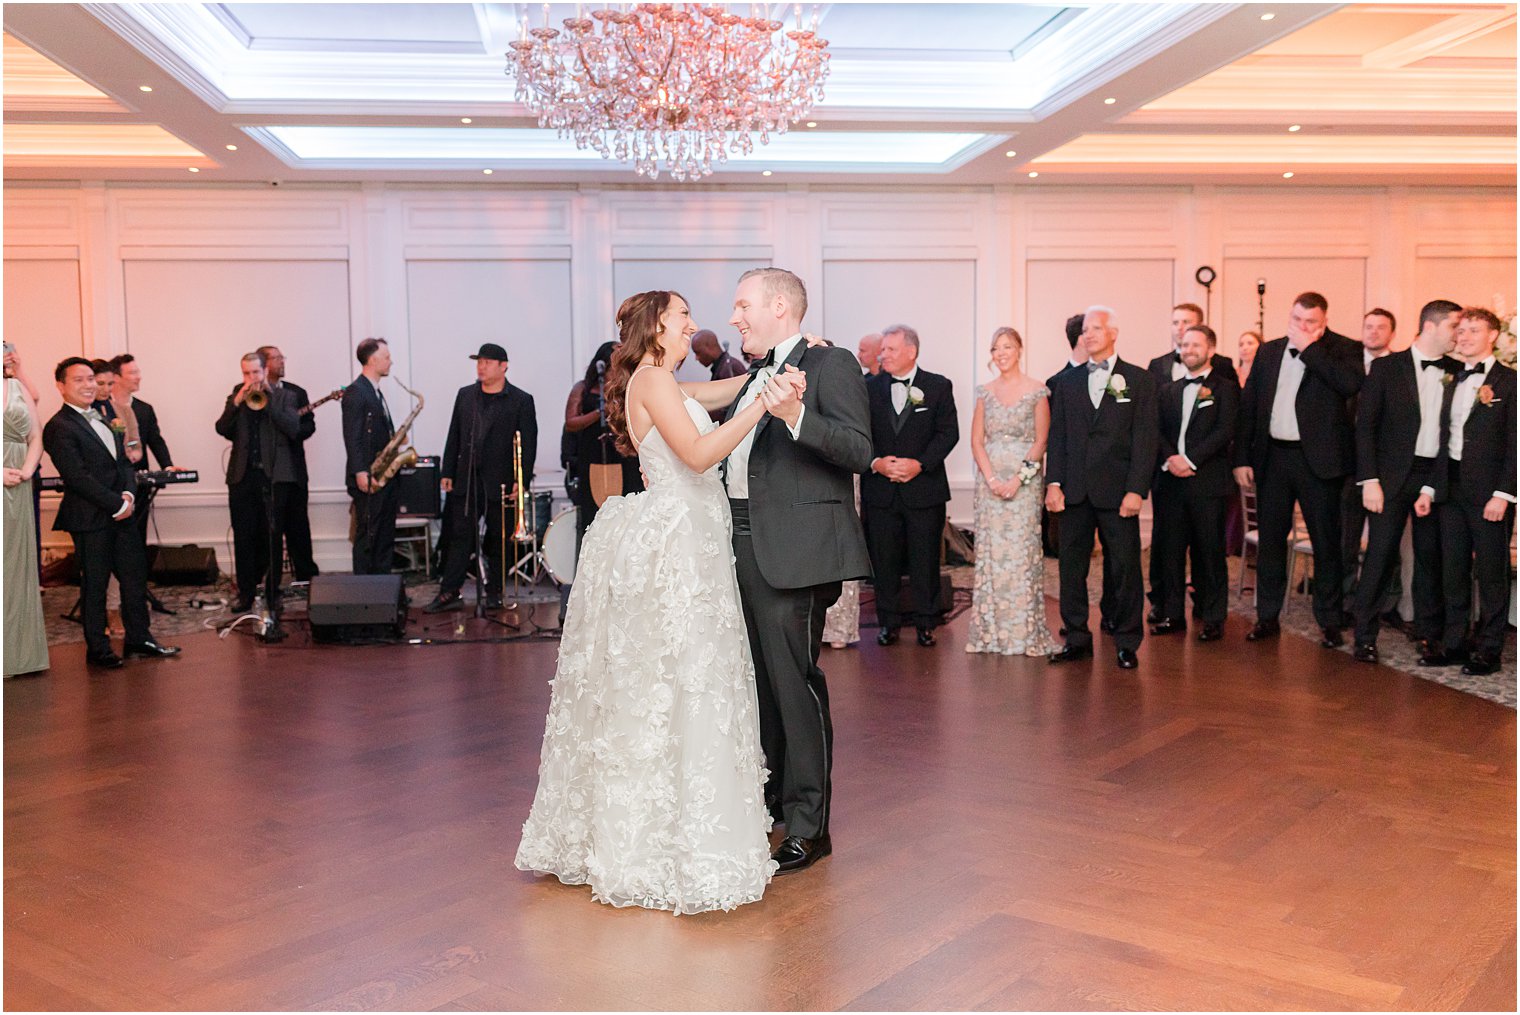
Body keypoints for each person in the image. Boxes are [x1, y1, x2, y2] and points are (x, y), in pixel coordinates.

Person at [515, 288, 807, 913]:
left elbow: (719, 394)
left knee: (693, 684)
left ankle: (685, 826)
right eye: (683, 318)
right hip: (679, 545)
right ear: (657, 329)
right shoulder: (649, 379)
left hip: (697, 542)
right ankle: (657, 842)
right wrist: (768, 409)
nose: (694, 326)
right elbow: (699, 456)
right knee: (677, 684)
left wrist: (775, 372)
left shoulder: (664, 381)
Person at [720, 267, 872, 875]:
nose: (734, 317)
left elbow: (859, 449)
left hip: (794, 548)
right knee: (759, 684)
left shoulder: (830, 365)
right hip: (738, 542)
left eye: (742, 305)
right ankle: (776, 799)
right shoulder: (750, 375)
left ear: (779, 306)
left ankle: (810, 825)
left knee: (793, 683)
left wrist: (796, 417)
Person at [1234, 292, 1363, 647]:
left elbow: (1350, 385)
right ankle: (1267, 617)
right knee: (1271, 541)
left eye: (1309, 323)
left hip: (1318, 462)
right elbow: (1250, 407)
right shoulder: (1270, 350)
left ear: (1323, 322)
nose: (1300, 328)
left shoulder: (1344, 349)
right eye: (1296, 321)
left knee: (1326, 544)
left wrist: (1310, 349)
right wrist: (1242, 457)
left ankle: (1329, 620)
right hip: (1273, 458)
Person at [41, 357, 179, 668]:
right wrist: (117, 504)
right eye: (79, 380)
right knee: (96, 584)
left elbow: (124, 464)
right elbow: (77, 478)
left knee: (134, 578)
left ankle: (139, 639)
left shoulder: (105, 418)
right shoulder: (58, 427)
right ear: (61, 386)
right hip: (91, 518)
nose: (89, 385)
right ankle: (99, 650)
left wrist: (129, 494)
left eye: (91, 378)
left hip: (122, 513)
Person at [1045, 306, 1158, 670]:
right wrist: (1054, 483)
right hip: (1074, 491)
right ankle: (1076, 637)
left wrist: (1137, 489)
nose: (1088, 334)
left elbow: (1145, 440)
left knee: (1125, 568)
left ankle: (1127, 641)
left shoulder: (1139, 381)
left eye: (1096, 328)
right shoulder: (1067, 383)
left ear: (1114, 333)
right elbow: (1058, 438)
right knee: (1071, 569)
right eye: (1085, 330)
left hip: (1118, 492)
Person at [1350, 300, 1461, 664]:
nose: (1458, 335)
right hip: (1390, 476)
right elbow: (1364, 428)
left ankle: (1429, 634)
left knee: (1430, 559)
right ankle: (1364, 636)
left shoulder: (1457, 371)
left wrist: (1435, 483)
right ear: (1431, 326)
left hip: (1436, 476)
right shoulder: (1386, 368)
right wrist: (1369, 480)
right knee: (1380, 556)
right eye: (1453, 327)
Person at [862, 325, 960, 647]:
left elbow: (948, 434)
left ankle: (926, 622)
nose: (882, 355)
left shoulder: (938, 386)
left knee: (926, 560)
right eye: (883, 350)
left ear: (911, 352)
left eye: (890, 349)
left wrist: (919, 464)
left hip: (924, 490)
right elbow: (857, 434)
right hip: (881, 490)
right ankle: (888, 622)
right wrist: (876, 462)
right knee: (884, 562)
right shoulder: (868, 388)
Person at [1430, 308, 1515, 677]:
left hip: (1490, 492)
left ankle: (1489, 649)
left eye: (1473, 330)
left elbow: (1517, 444)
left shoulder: (1510, 382)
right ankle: (1454, 643)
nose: (1463, 337)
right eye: (1460, 331)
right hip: (1451, 487)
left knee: (1492, 572)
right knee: (1453, 568)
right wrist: (1431, 486)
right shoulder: (1451, 377)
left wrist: (1504, 494)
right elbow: (1442, 437)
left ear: (1493, 335)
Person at [425, 343, 538, 613]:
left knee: (499, 540)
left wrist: (520, 482)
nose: (481, 366)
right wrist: (447, 471)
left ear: (503, 366)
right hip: (467, 480)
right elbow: (455, 435)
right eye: (479, 361)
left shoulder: (521, 400)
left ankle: (494, 593)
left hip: (500, 483)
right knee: (459, 537)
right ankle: (449, 591)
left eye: (488, 362)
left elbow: (529, 444)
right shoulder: (466, 396)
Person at [965, 326, 1056, 656]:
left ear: (1019, 349)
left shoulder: (1037, 391)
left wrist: (1018, 479)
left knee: (1019, 556)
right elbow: (976, 440)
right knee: (991, 556)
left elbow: (1041, 440)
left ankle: (1022, 633)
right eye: (995, 348)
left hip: (1025, 483)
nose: (1000, 353)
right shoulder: (984, 392)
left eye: (1006, 347)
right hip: (989, 485)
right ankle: (991, 634)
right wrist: (991, 478)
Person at [1149, 324, 1239, 642]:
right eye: (1184, 345)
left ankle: (1213, 616)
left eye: (1195, 345)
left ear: (1210, 350)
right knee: (1170, 552)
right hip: (1170, 483)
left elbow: (1226, 430)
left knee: (1209, 552)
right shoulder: (1168, 391)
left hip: (1207, 483)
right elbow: (1156, 430)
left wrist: (1190, 460)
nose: (1188, 350)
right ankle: (1173, 614)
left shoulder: (1225, 388)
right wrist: (1171, 458)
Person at [215, 351, 304, 613]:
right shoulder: (237, 395)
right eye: (246, 373)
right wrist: (237, 402)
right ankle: (245, 592)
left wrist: (270, 399)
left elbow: (293, 428)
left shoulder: (286, 396)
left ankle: (273, 592)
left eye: (255, 372)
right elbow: (222, 428)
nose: (251, 378)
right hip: (242, 476)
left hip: (272, 477)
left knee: (272, 536)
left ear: (265, 371)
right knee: (243, 537)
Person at [1342, 309, 1402, 622]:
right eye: (1368, 326)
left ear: (1392, 333)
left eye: (1381, 327)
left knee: (1386, 541)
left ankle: (1386, 604)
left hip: (1391, 468)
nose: (1374, 332)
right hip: (1349, 467)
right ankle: (1348, 600)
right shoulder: (1347, 367)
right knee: (1347, 539)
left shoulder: (1401, 369)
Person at [564, 342, 644, 555]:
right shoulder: (583, 388)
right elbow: (571, 422)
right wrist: (600, 412)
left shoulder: (629, 385)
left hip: (624, 456)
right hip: (593, 457)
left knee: (628, 513)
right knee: (594, 517)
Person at [256, 346, 320, 581]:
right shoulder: (253, 392)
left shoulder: (296, 392)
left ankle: (306, 577)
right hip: (267, 473)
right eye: (277, 358)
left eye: (283, 357)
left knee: (299, 526)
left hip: (294, 470)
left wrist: (292, 431)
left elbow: (309, 425)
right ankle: (269, 580)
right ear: (264, 364)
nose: (283, 361)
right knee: (269, 529)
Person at [4, 344, 48, 676]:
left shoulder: (16, 387)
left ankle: (20, 654)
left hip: (19, 482)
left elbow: (36, 435)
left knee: (18, 567)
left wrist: (29, 470)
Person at [342, 338, 399, 575]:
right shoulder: (357, 392)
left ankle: (382, 589)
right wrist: (361, 471)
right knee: (367, 537)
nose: (390, 361)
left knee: (383, 535)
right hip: (369, 476)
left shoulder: (374, 392)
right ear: (373, 360)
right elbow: (352, 436)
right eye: (386, 357)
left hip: (381, 477)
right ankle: (364, 592)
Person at [1145, 303, 1238, 386]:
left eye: (1186, 322)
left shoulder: (1222, 364)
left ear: (1200, 325)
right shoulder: (1157, 365)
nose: (1179, 328)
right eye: (1175, 323)